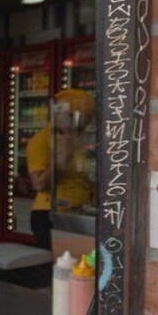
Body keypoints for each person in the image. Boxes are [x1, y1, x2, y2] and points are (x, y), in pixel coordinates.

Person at [26, 88, 94, 250]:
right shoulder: (42, 140)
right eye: (78, 118)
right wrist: (65, 154)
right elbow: (40, 184)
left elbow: (82, 178)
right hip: (50, 215)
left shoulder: (75, 141)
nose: (83, 125)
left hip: (78, 213)